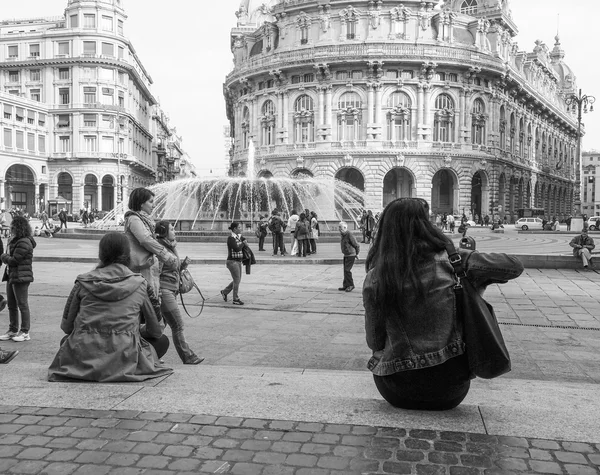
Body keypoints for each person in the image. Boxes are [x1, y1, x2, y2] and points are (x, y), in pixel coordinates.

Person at [363, 197, 524, 411]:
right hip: (449, 389)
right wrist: (468, 270)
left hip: (396, 389)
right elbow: (514, 266)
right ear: (427, 225)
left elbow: (374, 341)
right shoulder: (454, 262)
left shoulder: (376, 276)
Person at [47, 233, 172, 382]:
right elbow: (156, 330)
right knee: (162, 341)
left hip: (85, 355)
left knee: (66, 341)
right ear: (128, 254)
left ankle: (90, 366)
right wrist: (135, 331)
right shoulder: (141, 284)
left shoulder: (82, 282)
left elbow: (66, 327)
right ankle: (119, 367)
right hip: (125, 355)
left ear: (101, 254)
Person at [155, 221, 204, 365]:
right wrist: (157, 294)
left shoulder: (170, 247)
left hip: (171, 290)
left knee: (158, 326)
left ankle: (149, 353)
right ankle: (187, 356)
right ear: (164, 232)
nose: (174, 231)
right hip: (164, 291)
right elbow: (157, 272)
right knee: (177, 325)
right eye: (171, 229)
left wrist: (183, 265)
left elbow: (171, 269)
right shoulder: (161, 250)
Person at [124, 188, 176, 295]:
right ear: (141, 203)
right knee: (146, 301)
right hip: (139, 268)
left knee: (152, 299)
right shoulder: (134, 219)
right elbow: (145, 240)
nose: (154, 205)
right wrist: (165, 254)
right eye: (151, 202)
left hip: (147, 267)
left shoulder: (145, 220)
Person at [0, 216, 37, 343]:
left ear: (18, 228)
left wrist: (3, 257)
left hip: (21, 277)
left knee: (22, 304)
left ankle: (25, 331)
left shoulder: (24, 242)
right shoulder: (15, 240)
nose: (10, 229)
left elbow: (14, 260)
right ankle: (13, 330)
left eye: (13, 227)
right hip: (12, 275)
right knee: (12, 305)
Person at [220, 221, 247, 305]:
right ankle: (235, 298)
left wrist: (243, 241)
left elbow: (244, 240)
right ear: (234, 229)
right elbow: (236, 248)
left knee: (237, 280)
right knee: (237, 280)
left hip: (238, 261)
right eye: (239, 227)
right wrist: (243, 243)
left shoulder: (238, 237)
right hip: (232, 261)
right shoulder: (231, 238)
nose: (240, 229)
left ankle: (225, 292)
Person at [338, 221, 360, 292]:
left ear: (345, 228)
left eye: (340, 228)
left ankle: (351, 285)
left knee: (347, 270)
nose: (339, 230)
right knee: (345, 270)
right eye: (339, 228)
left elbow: (356, 245)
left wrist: (357, 253)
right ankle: (346, 285)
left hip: (351, 255)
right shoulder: (343, 235)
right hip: (346, 255)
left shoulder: (349, 234)